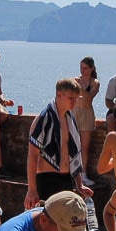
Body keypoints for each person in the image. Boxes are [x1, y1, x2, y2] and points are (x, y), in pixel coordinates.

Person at [25, 78, 94, 209]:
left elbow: (73, 153)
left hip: (66, 179)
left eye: (76, 98)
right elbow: (32, 155)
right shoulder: (44, 118)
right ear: (59, 95)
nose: (74, 102)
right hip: (47, 179)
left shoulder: (70, 119)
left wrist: (79, 184)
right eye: (71, 98)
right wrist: (32, 190)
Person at [73, 57, 101, 184]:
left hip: (87, 115)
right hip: (74, 113)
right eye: (81, 68)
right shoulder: (74, 80)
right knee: (72, 145)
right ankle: (72, 173)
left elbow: (89, 98)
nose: (82, 71)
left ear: (91, 69)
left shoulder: (95, 82)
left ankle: (83, 175)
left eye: (85, 68)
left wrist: (80, 88)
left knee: (84, 147)